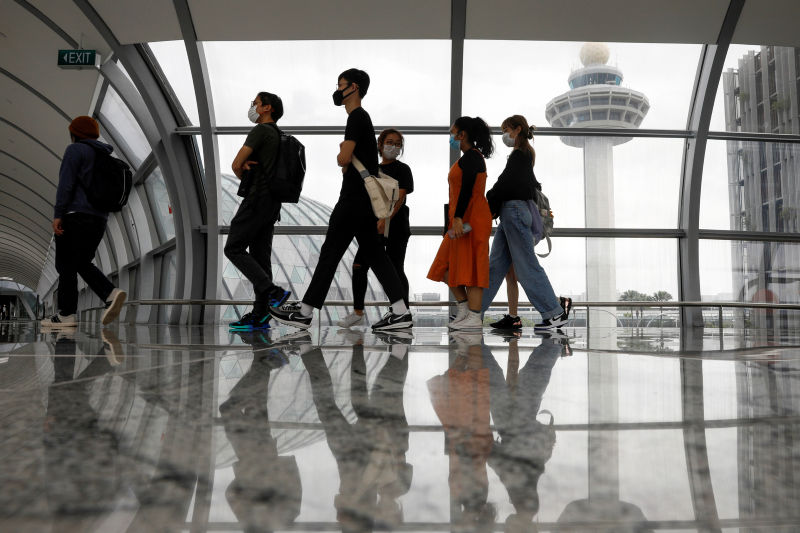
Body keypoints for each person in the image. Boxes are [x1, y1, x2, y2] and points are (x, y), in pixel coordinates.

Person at [271, 69, 412, 331]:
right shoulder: (361, 119)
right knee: (375, 256)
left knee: (331, 254)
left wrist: (341, 157)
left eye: (340, 85)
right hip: (362, 204)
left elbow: (344, 159)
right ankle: (401, 312)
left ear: (353, 88)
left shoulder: (357, 117)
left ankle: (304, 312)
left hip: (352, 201)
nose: (337, 90)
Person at [482, 115, 571, 329]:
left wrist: (489, 198)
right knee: (494, 267)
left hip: (514, 211)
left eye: (507, 130)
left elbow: (506, 183)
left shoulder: (520, 155)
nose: (504, 135)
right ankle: (474, 312)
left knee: (526, 266)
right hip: (510, 213)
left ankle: (555, 311)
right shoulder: (525, 155)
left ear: (518, 129)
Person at [41, 116, 126, 329]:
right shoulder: (105, 155)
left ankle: (67, 315)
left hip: (75, 216)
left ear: (75, 133)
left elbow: (66, 184)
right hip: (99, 219)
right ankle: (110, 293)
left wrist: (58, 214)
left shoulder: (75, 151)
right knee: (81, 262)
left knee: (65, 264)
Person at [225, 92, 291, 331]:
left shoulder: (261, 131)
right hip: (273, 204)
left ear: (266, 108)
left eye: (255, 103)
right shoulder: (280, 136)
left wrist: (243, 169)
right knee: (261, 258)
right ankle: (261, 315)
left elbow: (235, 164)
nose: (252, 107)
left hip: (256, 199)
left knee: (233, 247)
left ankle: (273, 292)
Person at [338, 128, 414, 328]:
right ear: (379, 145)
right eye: (389, 142)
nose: (394, 146)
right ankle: (357, 312)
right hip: (372, 225)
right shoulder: (372, 169)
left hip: (396, 225)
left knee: (396, 267)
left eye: (398, 144)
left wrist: (386, 219)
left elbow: (400, 196)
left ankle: (401, 313)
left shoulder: (402, 169)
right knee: (359, 266)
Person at [427, 116, 493, 330]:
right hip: (461, 221)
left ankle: (474, 317)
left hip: (471, 220)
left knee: (474, 267)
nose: (451, 136)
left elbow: (466, 189)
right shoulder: (467, 158)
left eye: (452, 132)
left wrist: (457, 218)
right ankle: (464, 308)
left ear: (461, 134)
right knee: (443, 266)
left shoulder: (472, 158)